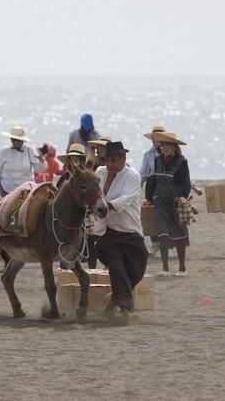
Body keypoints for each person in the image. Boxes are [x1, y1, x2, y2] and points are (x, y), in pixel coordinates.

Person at [93, 141, 148, 313]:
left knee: (136, 271)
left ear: (123, 159)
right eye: (107, 160)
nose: (109, 164)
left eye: (114, 160)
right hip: (106, 234)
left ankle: (114, 301)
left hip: (131, 233)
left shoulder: (133, 176)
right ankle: (125, 305)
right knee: (116, 266)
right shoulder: (99, 173)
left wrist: (104, 206)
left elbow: (124, 201)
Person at [0, 126, 47, 268]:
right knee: (7, 215)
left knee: (27, 214)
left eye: (18, 140)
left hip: (25, 189)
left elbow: (41, 169)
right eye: (13, 140)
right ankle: (4, 239)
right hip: (7, 188)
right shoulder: (4, 152)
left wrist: (42, 160)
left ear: (23, 141)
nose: (16, 142)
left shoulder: (29, 151)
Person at [145, 131, 191, 276]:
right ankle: (165, 268)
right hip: (160, 201)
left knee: (179, 235)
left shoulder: (182, 162)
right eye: (163, 145)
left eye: (168, 145)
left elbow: (186, 182)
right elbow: (152, 180)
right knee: (162, 234)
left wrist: (183, 197)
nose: (165, 148)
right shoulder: (158, 161)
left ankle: (182, 268)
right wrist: (148, 198)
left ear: (174, 147)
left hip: (176, 203)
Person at [139, 125, 165, 256]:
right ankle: (155, 243)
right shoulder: (148, 154)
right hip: (152, 186)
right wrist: (134, 187)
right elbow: (143, 173)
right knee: (150, 214)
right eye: (155, 138)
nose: (158, 140)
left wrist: (193, 186)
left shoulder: (171, 152)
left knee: (165, 213)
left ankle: (165, 240)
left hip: (166, 184)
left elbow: (180, 171)